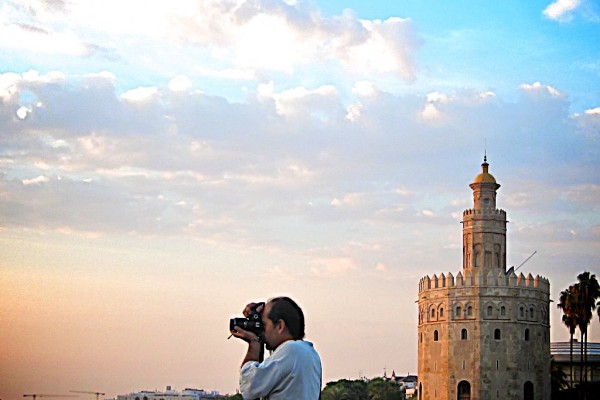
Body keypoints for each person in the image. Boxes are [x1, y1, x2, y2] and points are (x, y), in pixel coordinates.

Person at [230, 296, 322, 399]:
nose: (262, 330)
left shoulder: (291, 350)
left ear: (280, 326)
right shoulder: (309, 353)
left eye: (264, 324)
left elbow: (250, 387)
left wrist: (254, 343)